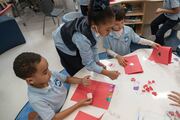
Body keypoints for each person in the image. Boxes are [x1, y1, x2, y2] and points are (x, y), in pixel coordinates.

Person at [13, 52, 92, 120]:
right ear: (31, 80)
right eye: (45, 72)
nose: (50, 72)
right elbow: (54, 118)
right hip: (58, 112)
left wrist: (81, 81)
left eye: (47, 68)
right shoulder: (36, 100)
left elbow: (67, 79)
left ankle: (38, 114)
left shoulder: (51, 74)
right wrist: (78, 105)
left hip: (67, 101)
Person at [53, 0, 120, 80]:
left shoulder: (94, 24)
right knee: (75, 67)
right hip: (62, 42)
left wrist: (97, 61)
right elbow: (88, 64)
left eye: (111, 28)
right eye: (108, 29)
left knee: (84, 56)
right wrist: (108, 74)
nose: (110, 32)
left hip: (73, 34)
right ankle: (77, 80)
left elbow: (93, 44)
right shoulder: (82, 39)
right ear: (94, 27)